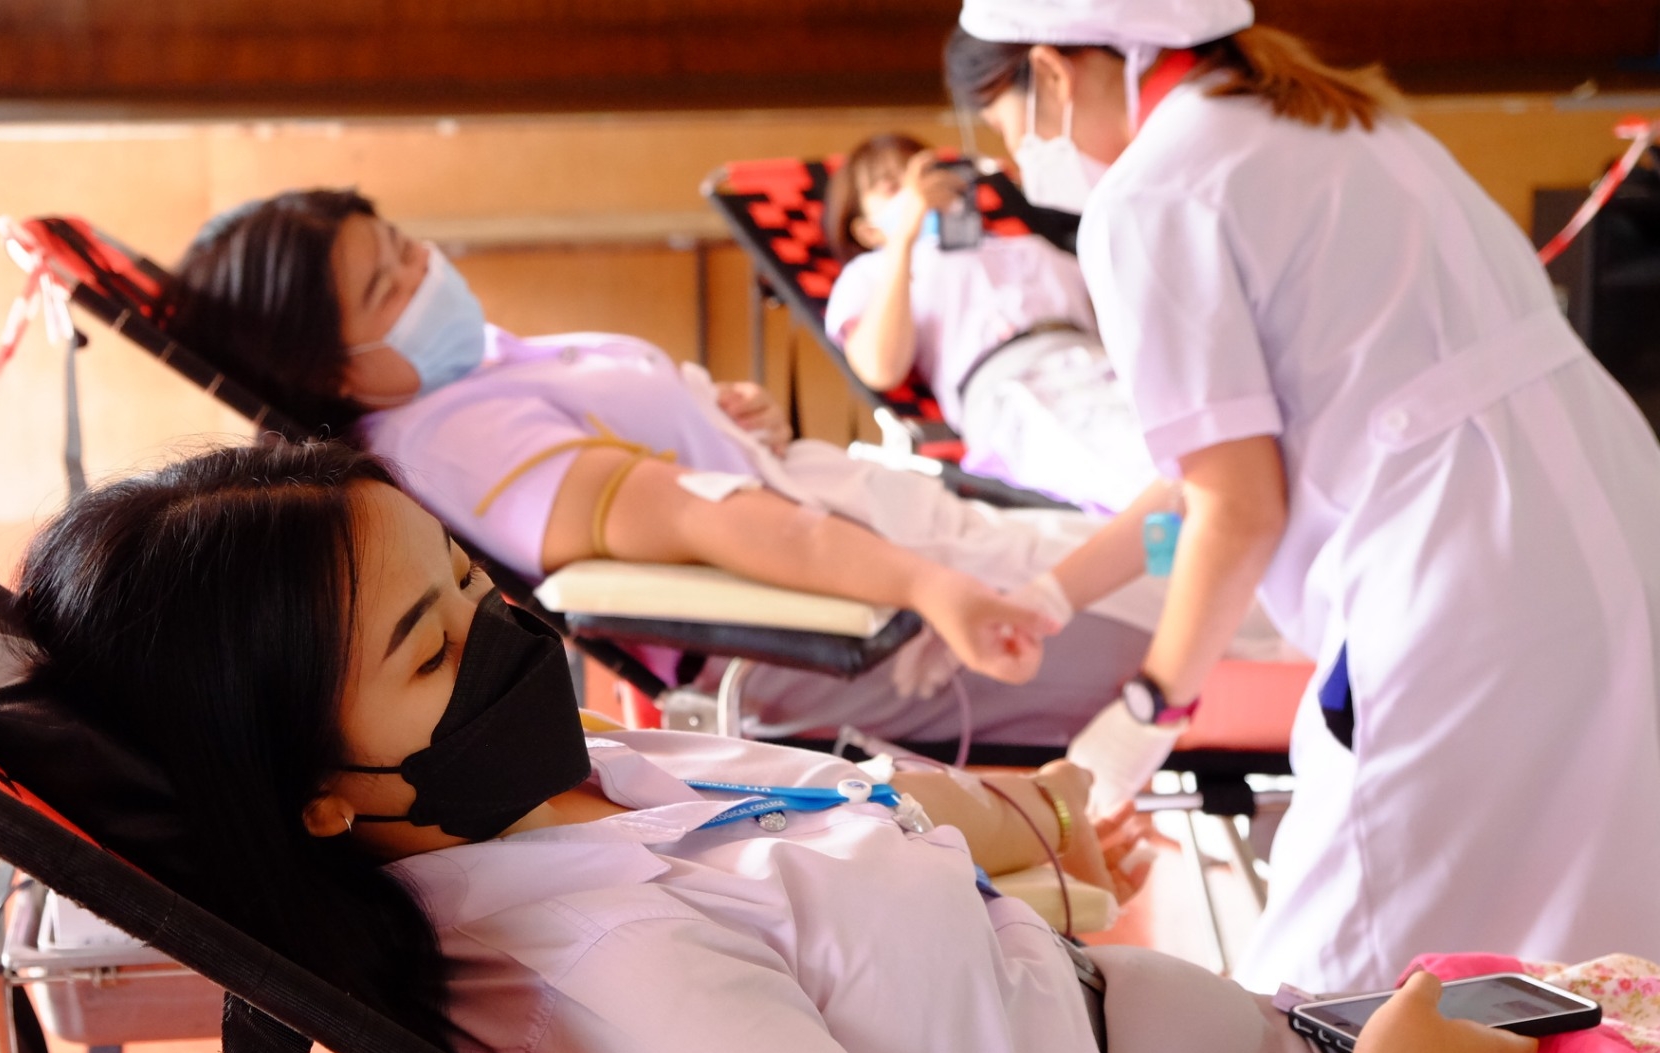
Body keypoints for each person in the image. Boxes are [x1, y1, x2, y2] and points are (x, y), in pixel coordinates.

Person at [9, 439, 1660, 1053]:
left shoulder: (570, 791)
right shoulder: (614, 988)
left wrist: (1014, 827)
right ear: (317, 795)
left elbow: (818, 819)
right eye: (434, 648)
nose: (510, 630)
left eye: (468, 580)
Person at [950, 0, 1660, 992]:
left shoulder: (1151, 196)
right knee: (1598, 963)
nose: (1027, 165)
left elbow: (1236, 509)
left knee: (1328, 1003)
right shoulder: (1350, 122)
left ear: (1051, 75)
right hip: (1608, 517)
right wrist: (1051, 596)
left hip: (1456, 583)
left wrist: (1136, 722)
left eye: (1008, 132)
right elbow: (1217, 468)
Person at [164, 190, 1285, 748]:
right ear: (334, 370)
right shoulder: (454, 441)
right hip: (866, 628)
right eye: (386, 288)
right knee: (1238, 595)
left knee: (1210, 535)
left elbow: (676, 466)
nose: (426, 274)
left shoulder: (462, 381)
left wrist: (716, 414)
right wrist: (926, 592)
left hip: (886, 543)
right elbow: (711, 523)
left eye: (406, 247)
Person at [824, 131, 1159, 514]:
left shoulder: (1028, 246)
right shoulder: (872, 273)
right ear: (868, 230)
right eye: (893, 187)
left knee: (1200, 449)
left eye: (930, 176)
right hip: (1017, 392)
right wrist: (903, 238)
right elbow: (880, 367)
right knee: (1140, 470)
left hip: (1107, 367)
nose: (921, 192)